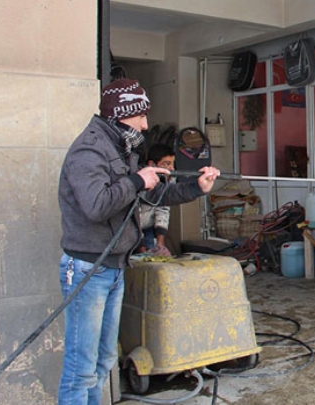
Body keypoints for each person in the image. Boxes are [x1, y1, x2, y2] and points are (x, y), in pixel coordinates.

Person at [57, 78, 220, 405]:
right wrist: (135, 180)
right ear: (122, 114)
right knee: (82, 369)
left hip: (115, 268)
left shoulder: (122, 148)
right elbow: (96, 206)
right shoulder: (89, 149)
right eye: (140, 117)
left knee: (104, 362)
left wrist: (197, 188)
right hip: (89, 270)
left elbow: (155, 192)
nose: (146, 125)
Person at [137, 143, 176, 256]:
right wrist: (142, 249)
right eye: (166, 164)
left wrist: (160, 244)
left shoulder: (169, 178)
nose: (172, 168)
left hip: (148, 227)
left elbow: (163, 208)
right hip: (130, 229)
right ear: (152, 164)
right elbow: (133, 214)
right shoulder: (141, 179)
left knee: (155, 255)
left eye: (172, 163)